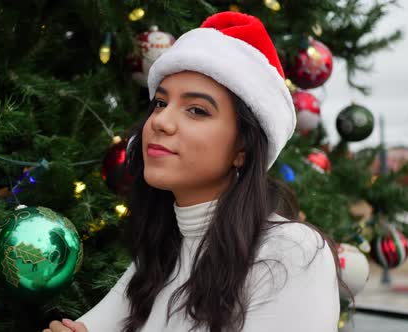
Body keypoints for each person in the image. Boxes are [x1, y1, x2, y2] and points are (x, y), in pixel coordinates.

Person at [45, 11, 345, 332]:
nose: (160, 121)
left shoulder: (291, 253)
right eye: (160, 103)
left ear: (242, 149)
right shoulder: (159, 256)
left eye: (197, 110)